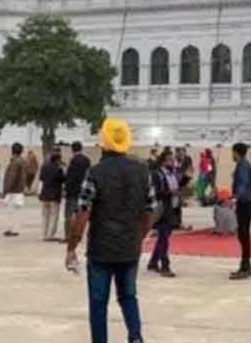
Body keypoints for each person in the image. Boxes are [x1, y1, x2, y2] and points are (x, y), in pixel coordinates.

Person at [66, 118, 153, 343]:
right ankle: (135, 336)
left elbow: (83, 212)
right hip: (129, 248)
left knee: (98, 303)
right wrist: (138, 237)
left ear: (103, 143)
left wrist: (72, 247)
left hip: (100, 250)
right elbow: (149, 211)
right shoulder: (143, 171)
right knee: (128, 296)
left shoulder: (95, 173)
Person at [148, 148, 189, 277]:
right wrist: (170, 193)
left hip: (173, 208)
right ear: (163, 161)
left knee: (163, 237)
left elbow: (177, 187)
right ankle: (165, 266)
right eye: (170, 160)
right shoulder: (157, 174)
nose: (173, 162)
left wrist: (186, 178)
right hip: (162, 210)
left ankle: (153, 262)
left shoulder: (172, 173)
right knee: (164, 238)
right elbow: (156, 193)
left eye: (173, 160)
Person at [230, 142, 251, 280]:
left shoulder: (244, 166)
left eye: (232, 152)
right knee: (242, 235)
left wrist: (235, 198)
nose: (231, 155)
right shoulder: (241, 165)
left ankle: (246, 268)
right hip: (244, 203)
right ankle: (245, 266)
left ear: (237, 152)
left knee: (244, 236)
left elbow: (243, 185)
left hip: (245, 204)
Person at [39, 150, 66, 242]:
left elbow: (41, 178)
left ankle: (44, 234)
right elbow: (63, 180)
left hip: (45, 194)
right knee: (54, 215)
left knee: (45, 215)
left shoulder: (44, 167)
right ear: (57, 160)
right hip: (54, 195)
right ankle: (50, 235)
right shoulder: (59, 169)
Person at [2, 142, 28, 237]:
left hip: (13, 190)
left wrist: (5, 190)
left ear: (12, 151)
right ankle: (15, 229)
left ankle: (12, 229)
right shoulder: (24, 161)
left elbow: (12, 178)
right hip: (20, 190)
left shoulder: (15, 162)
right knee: (17, 211)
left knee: (11, 211)